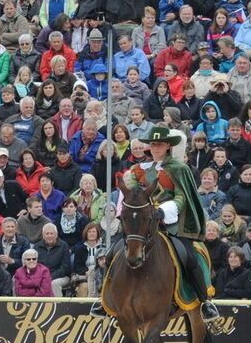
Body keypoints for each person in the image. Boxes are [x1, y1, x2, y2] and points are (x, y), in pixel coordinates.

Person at [92, 126, 219, 323]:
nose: (156, 148)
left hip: (170, 224)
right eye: (153, 145)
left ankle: (204, 302)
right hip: (142, 223)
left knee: (189, 258)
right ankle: (106, 299)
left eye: (159, 145)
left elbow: (182, 197)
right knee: (111, 254)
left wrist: (163, 210)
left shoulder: (179, 169)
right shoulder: (138, 170)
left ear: (168, 146)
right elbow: (132, 194)